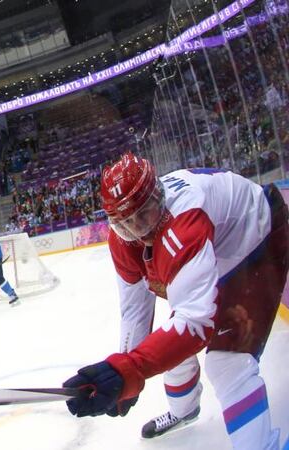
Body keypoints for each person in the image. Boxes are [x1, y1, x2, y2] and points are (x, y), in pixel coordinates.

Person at [62, 154, 288, 449]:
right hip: (221, 249)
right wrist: (123, 377)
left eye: (144, 213)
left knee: (227, 363)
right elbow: (134, 309)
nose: (138, 229)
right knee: (165, 344)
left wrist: (128, 371)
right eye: (126, 222)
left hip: (257, 235)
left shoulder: (184, 221)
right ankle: (184, 410)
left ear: (158, 195)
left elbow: (195, 324)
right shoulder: (123, 238)